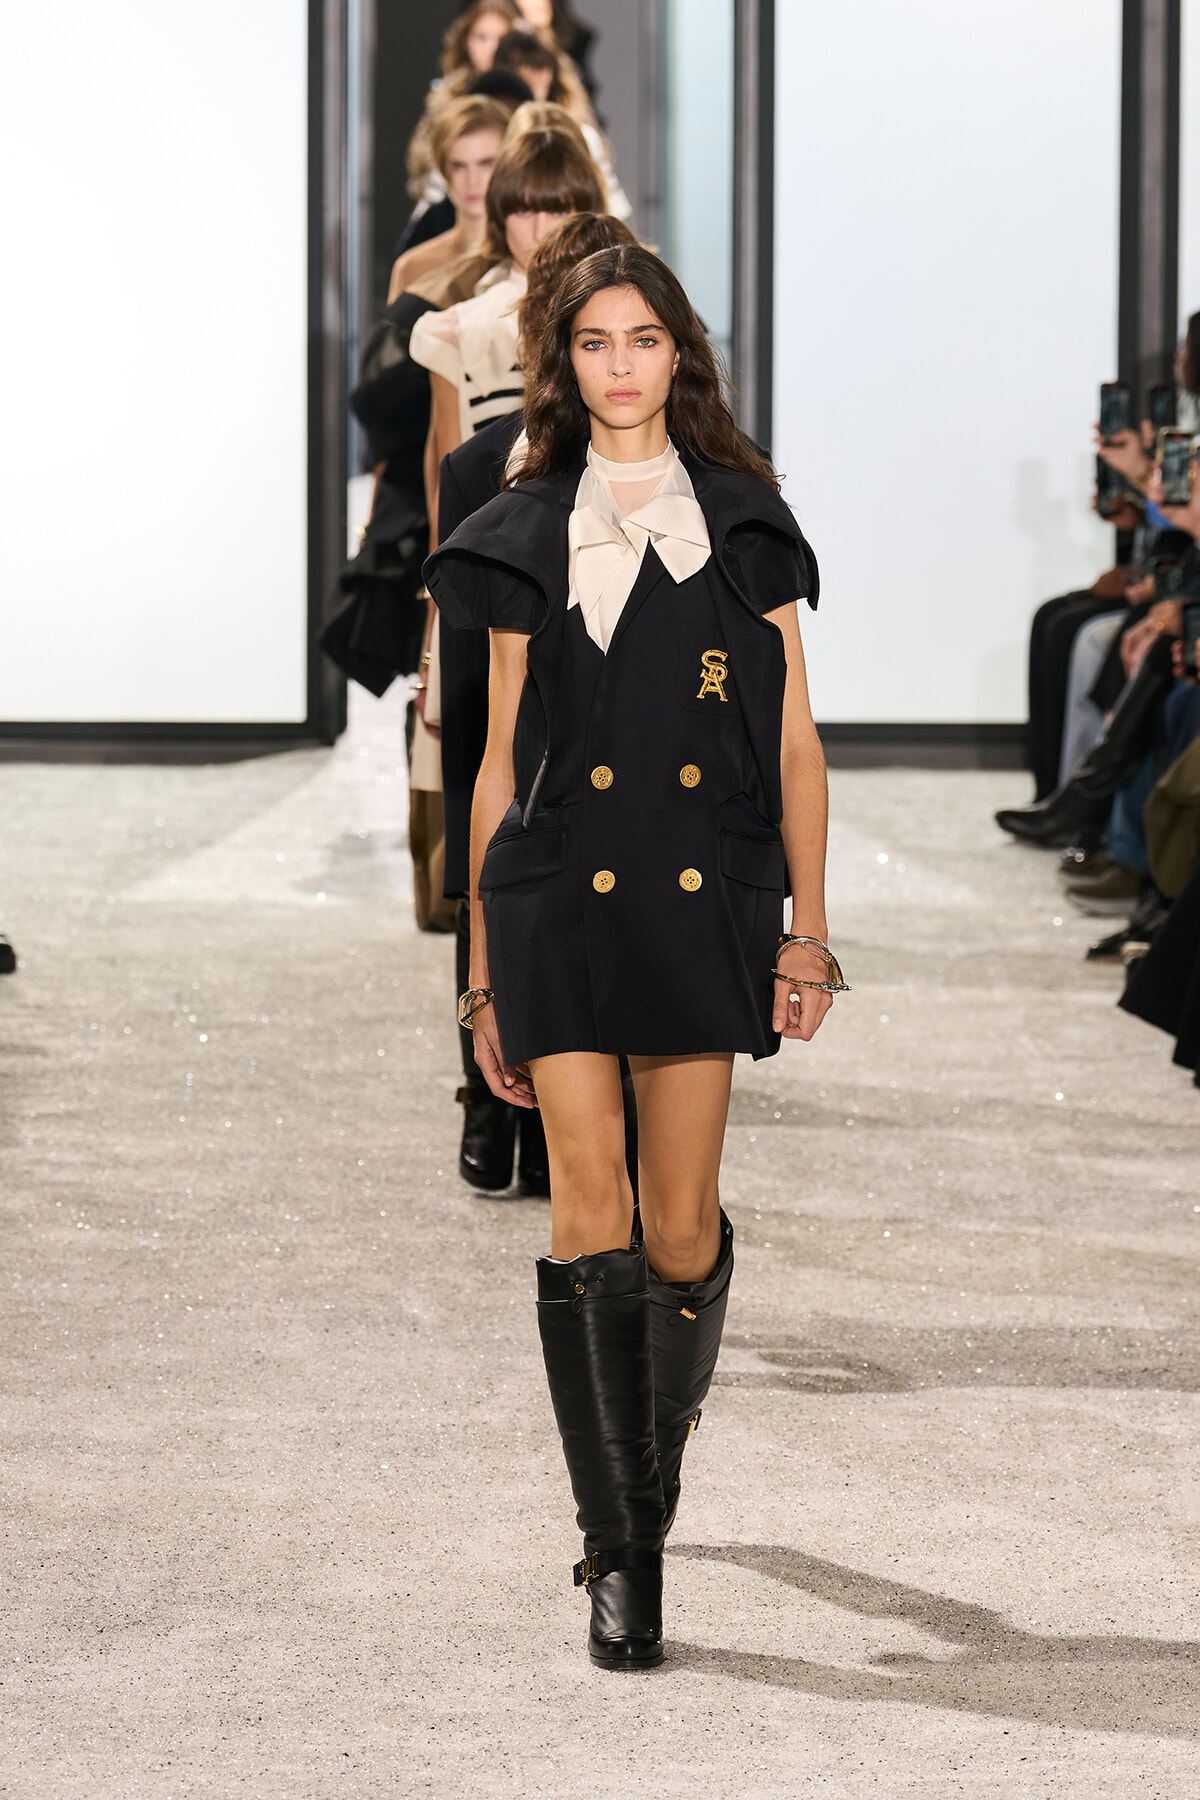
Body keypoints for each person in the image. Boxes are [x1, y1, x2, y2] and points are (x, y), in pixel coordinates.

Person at [424, 245, 838, 1668]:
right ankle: (627, 1550)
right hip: (555, 902)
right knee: (585, 1206)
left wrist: (810, 929)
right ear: (566, 359)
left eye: (644, 339)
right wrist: (481, 969)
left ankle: (646, 1467)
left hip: (698, 904)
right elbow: (495, 769)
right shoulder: (522, 524)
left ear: (681, 358)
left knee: (678, 1226)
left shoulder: (744, 522)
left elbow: (792, 739)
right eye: (594, 340)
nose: (619, 363)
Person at [437, 211, 640, 1194]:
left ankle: (592, 1119)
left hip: (632, 778)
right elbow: (459, 625)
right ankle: (486, 1092)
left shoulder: (693, 489)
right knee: (492, 867)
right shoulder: (476, 470)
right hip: (496, 718)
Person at [492, 28, 630, 217]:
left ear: (553, 73)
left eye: (538, 67)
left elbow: (611, 210)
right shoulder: (486, 137)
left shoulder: (581, 136)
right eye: (518, 67)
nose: (529, 77)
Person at [386, 96, 508, 303]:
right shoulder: (411, 267)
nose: (472, 181)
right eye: (458, 166)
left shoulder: (528, 263)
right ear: (443, 170)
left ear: (508, 163)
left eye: (486, 163)